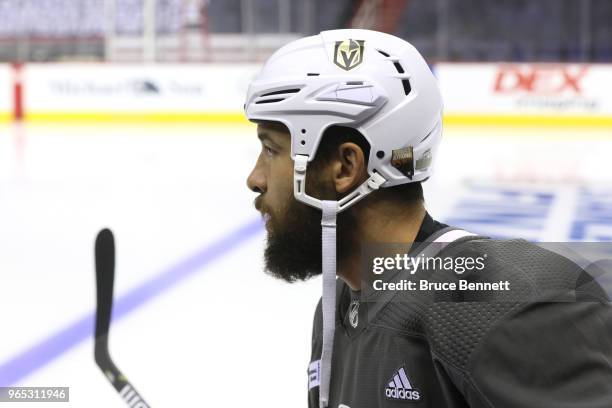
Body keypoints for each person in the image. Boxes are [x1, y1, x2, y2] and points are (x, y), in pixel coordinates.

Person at [244, 29, 612, 408]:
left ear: (346, 166)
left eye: (271, 149)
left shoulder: (499, 301)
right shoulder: (338, 309)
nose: (255, 179)